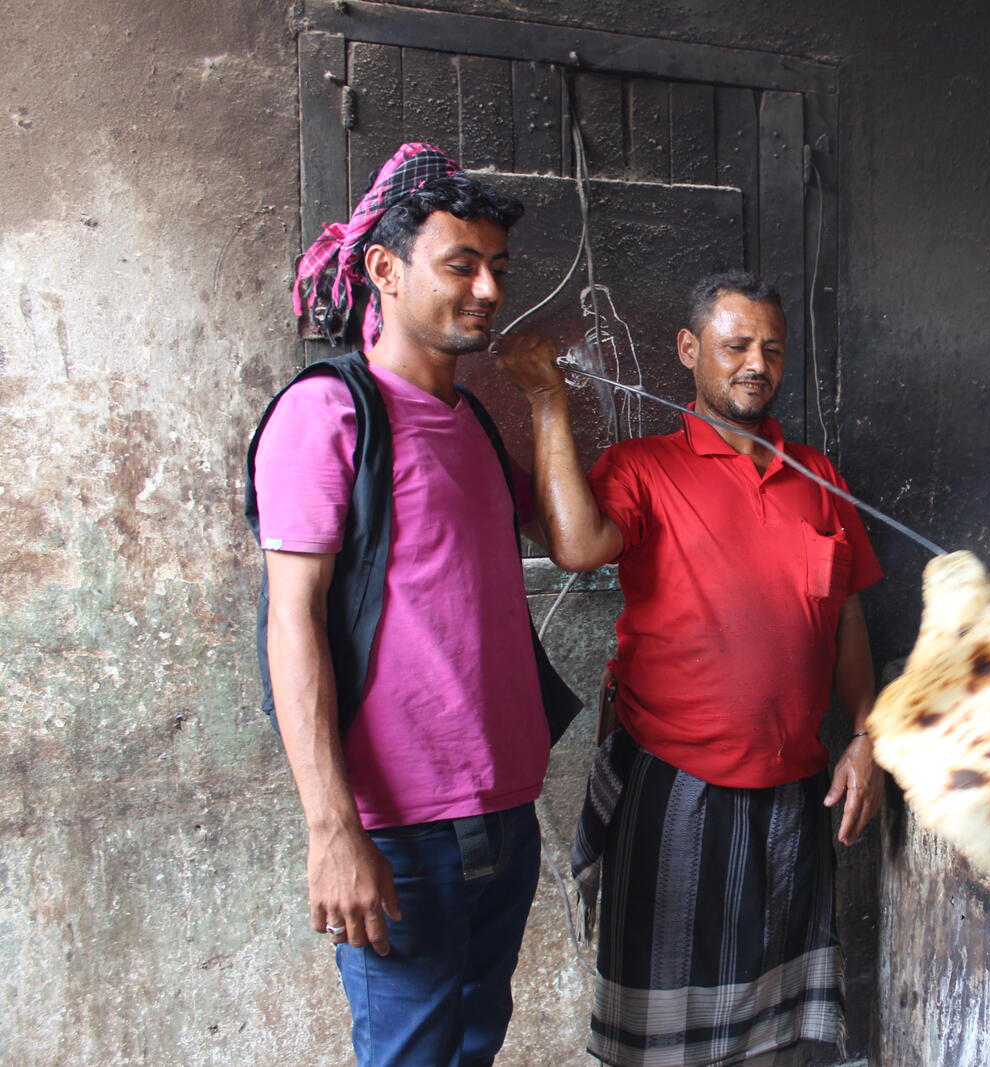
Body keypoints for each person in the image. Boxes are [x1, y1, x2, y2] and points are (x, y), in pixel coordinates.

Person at [244, 143, 578, 1067]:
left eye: (498, 270)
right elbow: (292, 622)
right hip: (401, 829)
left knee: (472, 1046)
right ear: (384, 270)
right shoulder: (329, 415)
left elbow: (572, 539)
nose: (486, 291)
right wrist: (333, 830)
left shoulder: (470, 422)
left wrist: (546, 403)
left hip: (505, 810)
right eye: (460, 265)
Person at [496, 271, 885, 1066]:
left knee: (781, 1034)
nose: (756, 364)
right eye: (736, 344)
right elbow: (575, 545)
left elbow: (846, 613)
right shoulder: (644, 468)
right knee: (664, 1039)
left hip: (792, 791)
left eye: (771, 349)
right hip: (676, 786)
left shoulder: (819, 477)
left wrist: (869, 735)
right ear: (689, 350)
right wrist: (547, 404)